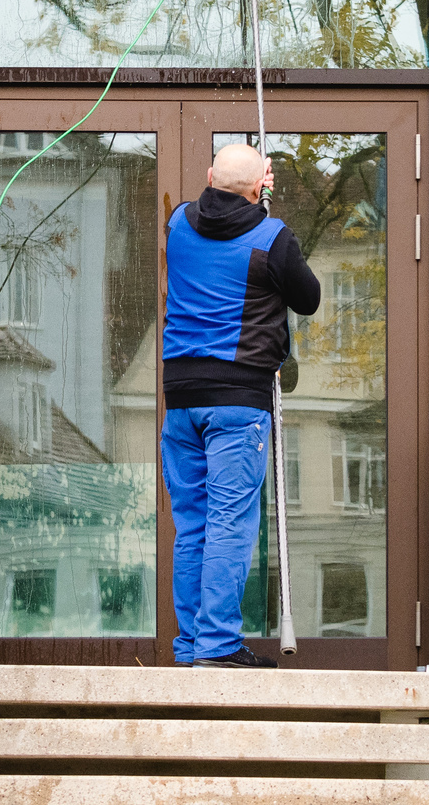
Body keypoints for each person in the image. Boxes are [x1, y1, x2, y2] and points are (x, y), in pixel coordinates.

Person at [160, 141, 321, 667]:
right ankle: (217, 646)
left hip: (181, 400)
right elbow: (308, 297)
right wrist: (262, 203)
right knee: (230, 522)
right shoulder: (272, 237)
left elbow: (216, 219)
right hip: (237, 404)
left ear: (208, 175)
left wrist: (250, 192)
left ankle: (191, 646)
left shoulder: (179, 224)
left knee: (194, 526)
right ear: (260, 187)